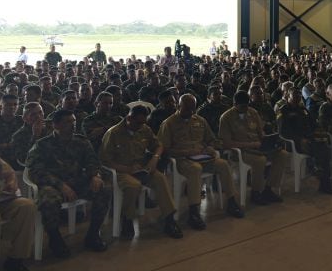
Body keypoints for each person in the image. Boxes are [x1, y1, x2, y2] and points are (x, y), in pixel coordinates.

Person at [27, 109, 111, 257]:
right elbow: (35, 171)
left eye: (74, 121)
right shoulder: (42, 145)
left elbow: (93, 161)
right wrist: (61, 185)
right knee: (48, 200)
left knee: (103, 189)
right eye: (67, 122)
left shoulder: (82, 141)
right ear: (56, 125)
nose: (73, 125)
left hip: (77, 181)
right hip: (53, 185)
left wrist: (95, 175)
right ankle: (55, 238)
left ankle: (93, 235)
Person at [158, 94, 244, 230]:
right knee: (195, 169)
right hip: (182, 160)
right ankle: (194, 212)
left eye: (193, 108)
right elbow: (165, 150)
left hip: (203, 157)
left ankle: (232, 202)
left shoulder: (200, 120)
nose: (191, 112)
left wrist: (210, 147)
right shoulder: (169, 123)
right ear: (179, 106)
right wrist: (186, 152)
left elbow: (212, 139)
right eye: (187, 108)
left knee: (223, 164)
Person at [99, 105, 183, 239]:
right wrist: (127, 169)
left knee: (160, 179)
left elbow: (158, 145)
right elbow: (105, 161)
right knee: (134, 185)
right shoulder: (113, 133)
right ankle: (127, 220)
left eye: (143, 122)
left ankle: (169, 219)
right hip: (121, 171)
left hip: (141, 168)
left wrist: (154, 159)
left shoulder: (144, 129)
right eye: (138, 123)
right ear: (129, 118)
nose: (140, 126)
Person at [219, 91, 288, 205]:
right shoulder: (226, 118)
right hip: (240, 151)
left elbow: (261, 133)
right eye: (242, 106)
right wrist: (250, 145)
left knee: (282, 154)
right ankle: (256, 192)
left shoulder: (253, 112)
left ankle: (268, 189)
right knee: (260, 160)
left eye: (247, 105)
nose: (245, 109)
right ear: (235, 104)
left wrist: (271, 140)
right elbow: (227, 143)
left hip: (258, 147)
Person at [0, 157, 35, 271]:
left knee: (26, 206)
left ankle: (15, 260)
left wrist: (11, 182)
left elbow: (10, 172)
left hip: (3, 200)